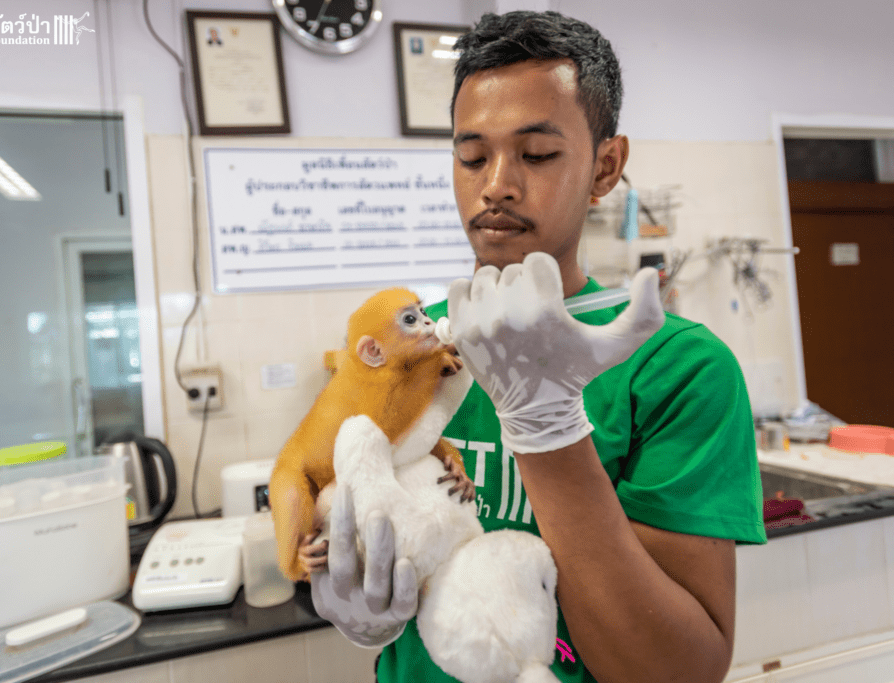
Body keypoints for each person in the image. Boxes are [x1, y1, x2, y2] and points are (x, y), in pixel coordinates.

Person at [310, 10, 767, 683]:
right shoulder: (410, 349)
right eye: (472, 157)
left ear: (605, 167)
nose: (495, 183)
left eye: (537, 154)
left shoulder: (679, 369)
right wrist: (362, 608)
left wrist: (547, 428)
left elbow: (678, 670)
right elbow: (357, 519)